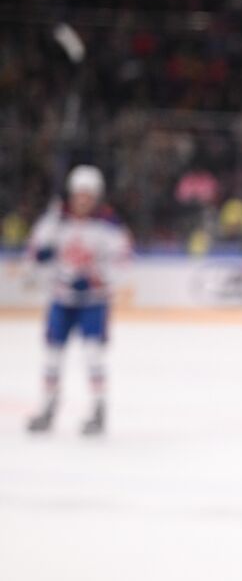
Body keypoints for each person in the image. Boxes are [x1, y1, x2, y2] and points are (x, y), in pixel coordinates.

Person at [23, 165, 132, 435]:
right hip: (61, 298)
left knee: (94, 354)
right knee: (52, 354)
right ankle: (48, 406)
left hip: (93, 302)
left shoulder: (109, 225)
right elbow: (35, 252)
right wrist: (41, 258)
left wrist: (98, 279)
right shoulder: (54, 220)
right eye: (79, 194)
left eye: (88, 195)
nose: (82, 200)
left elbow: (122, 262)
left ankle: (98, 409)